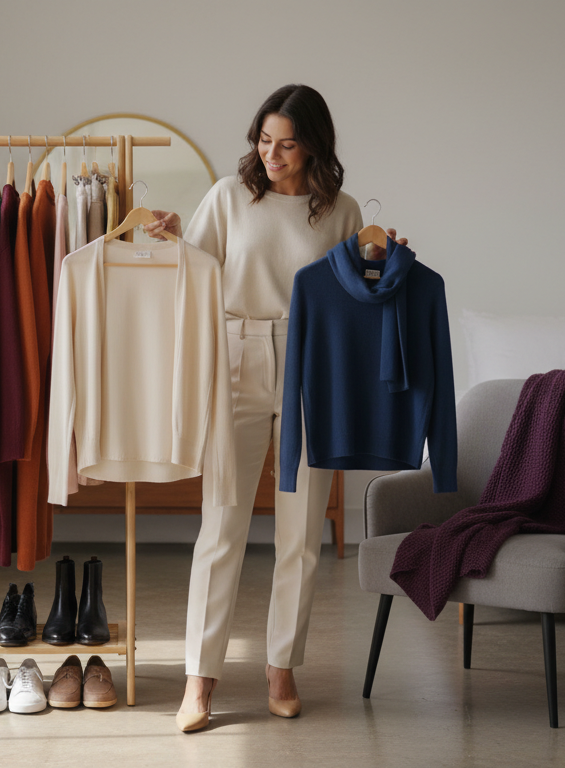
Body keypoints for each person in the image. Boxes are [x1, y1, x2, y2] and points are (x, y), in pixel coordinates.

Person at [144, 84, 399, 732]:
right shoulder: (230, 198)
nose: (273, 153)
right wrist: (175, 236)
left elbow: (357, 300)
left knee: (301, 535)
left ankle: (281, 666)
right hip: (238, 359)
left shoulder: (338, 211)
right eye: (264, 140)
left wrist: (379, 263)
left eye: (286, 143)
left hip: (314, 369)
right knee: (222, 526)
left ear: (313, 144)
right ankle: (200, 680)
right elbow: (197, 270)